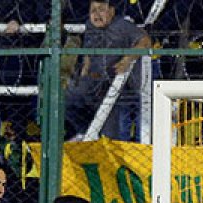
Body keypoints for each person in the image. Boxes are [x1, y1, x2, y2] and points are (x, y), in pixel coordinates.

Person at [64, 0, 151, 141]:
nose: (96, 15)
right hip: (92, 83)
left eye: (101, 10)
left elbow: (145, 41)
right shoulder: (89, 26)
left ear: (111, 11)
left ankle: (107, 144)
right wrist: (83, 75)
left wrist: (127, 59)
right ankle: (84, 131)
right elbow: (87, 56)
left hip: (112, 85)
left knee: (110, 132)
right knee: (66, 99)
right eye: (93, 10)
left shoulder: (122, 25)